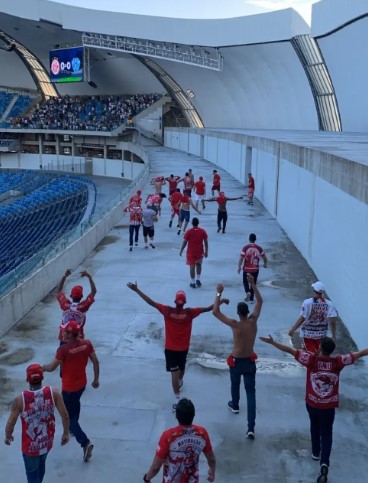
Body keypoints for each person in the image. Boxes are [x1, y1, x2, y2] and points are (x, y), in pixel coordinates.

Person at [259, 335, 368, 483]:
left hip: (312, 403)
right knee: (327, 434)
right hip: (329, 406)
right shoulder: (338, 361)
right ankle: (324, 466)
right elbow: (361, 353)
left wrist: (272, 342)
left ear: (319, 348)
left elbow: (290, 350)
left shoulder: (311, 360)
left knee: (314, 426)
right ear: (332, 350)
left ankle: (316, 453)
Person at [127, 282, 229, 410]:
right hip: (183, 349)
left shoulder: (167, 311)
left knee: (174, 374)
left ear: (175, 301)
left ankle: (178, 399)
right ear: (185, 302)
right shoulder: (190, 313)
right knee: (181, 369)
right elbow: (208, 308)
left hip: (170, 349)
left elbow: (151, 302)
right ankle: (180, 382)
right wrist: (220, 297)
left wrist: (137, 290)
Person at [212, 276, 263, 440]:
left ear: (237, 313)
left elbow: (215, 312)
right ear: (247, 312)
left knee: (235, 384)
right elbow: (259, 302)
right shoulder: (253, 322)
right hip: (249, 361)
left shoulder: (235, 324)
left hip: (236, 361)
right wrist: (253, 285)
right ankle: (251, 428)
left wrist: (219, 294)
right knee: (251, 394)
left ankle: (235, 404)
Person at [42, 320, 100, 463]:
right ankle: (75, 428)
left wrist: (42, 367)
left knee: (67, 416)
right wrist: (96, 379)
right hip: (82, 384)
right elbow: (96, 361)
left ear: (69, 334)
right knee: (75, 403)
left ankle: (85, 442)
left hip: (68, 389)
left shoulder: (63, 350)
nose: (62, 332)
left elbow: (51, 367)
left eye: (65, 331)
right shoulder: (87, 343)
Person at [4, 364, 70, 483]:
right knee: (41, 466)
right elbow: (65, 415)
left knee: (32, 475)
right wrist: (65, 433)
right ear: (42, 377)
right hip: (46, 443)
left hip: (30, 448)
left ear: (27, 379)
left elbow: (10, 424)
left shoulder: (20, 400)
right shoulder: (54, 393)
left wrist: (8, 437)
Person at [143, 398, 216, 483]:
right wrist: (212, 471)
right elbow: (211, 458)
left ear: (176, 416)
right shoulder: (202, 433)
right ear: (194, 414)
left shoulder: (168, 436)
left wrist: (147, 478)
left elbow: (156, 467)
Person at [288, 282, 337, 353]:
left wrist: (293, 330)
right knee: (319, 354)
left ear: (314, 290)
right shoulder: (330, 304)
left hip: (307, 334)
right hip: (321, 335)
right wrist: (333, 336)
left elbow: (302, 318)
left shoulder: (307, 303)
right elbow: (332, 322)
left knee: (309, 355)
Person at [57, 269, 97, 342]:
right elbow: (94, 292)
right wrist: (89, 277)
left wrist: (64, 276)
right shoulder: (84, 306)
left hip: (64, 338)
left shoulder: (65, 305)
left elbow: (59, 291)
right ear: (82, 296)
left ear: (71, 296)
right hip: (78, 339)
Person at [238, 233, 267, 303]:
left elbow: (241, 258)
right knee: (253, 283)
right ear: (255, 239)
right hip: (255, 269)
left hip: (246, 269)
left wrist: (239, 267)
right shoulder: (259, 248)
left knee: (245, 281)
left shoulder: (245, 247)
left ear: (249, 239)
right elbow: (264, 257)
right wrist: (265, 264)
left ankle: (247, 292)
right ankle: (251, 298)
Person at [179, 217, 208, 289]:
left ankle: (193, 282)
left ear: (192, 224)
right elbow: (206, 242)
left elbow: (185, 242)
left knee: (192, 266)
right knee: (199, 264)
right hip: (200, 251)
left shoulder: (188, 232)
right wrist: (206, 251)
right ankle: (198, 279)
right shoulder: (202, 231)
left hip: (191, 252)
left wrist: (181, 250)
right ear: (198, 223)